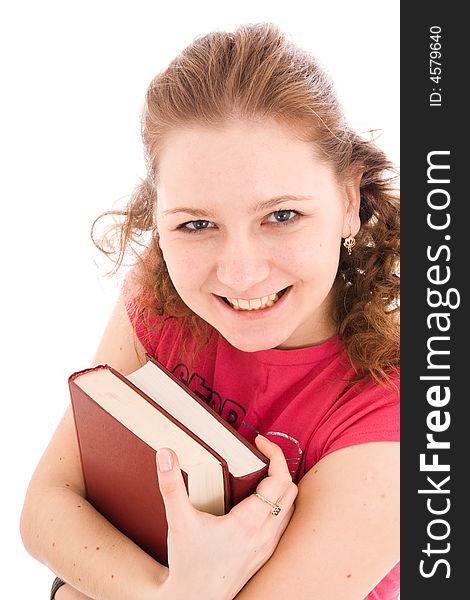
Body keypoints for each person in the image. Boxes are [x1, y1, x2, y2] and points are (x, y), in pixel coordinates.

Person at [20, 22, 400, 600]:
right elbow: (47, 510)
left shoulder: (397, 413)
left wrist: (86, 587)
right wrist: (169, 594)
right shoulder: (164, 279)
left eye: (282, 216)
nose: (240, 272)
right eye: (197, 224)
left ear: (350, 199)